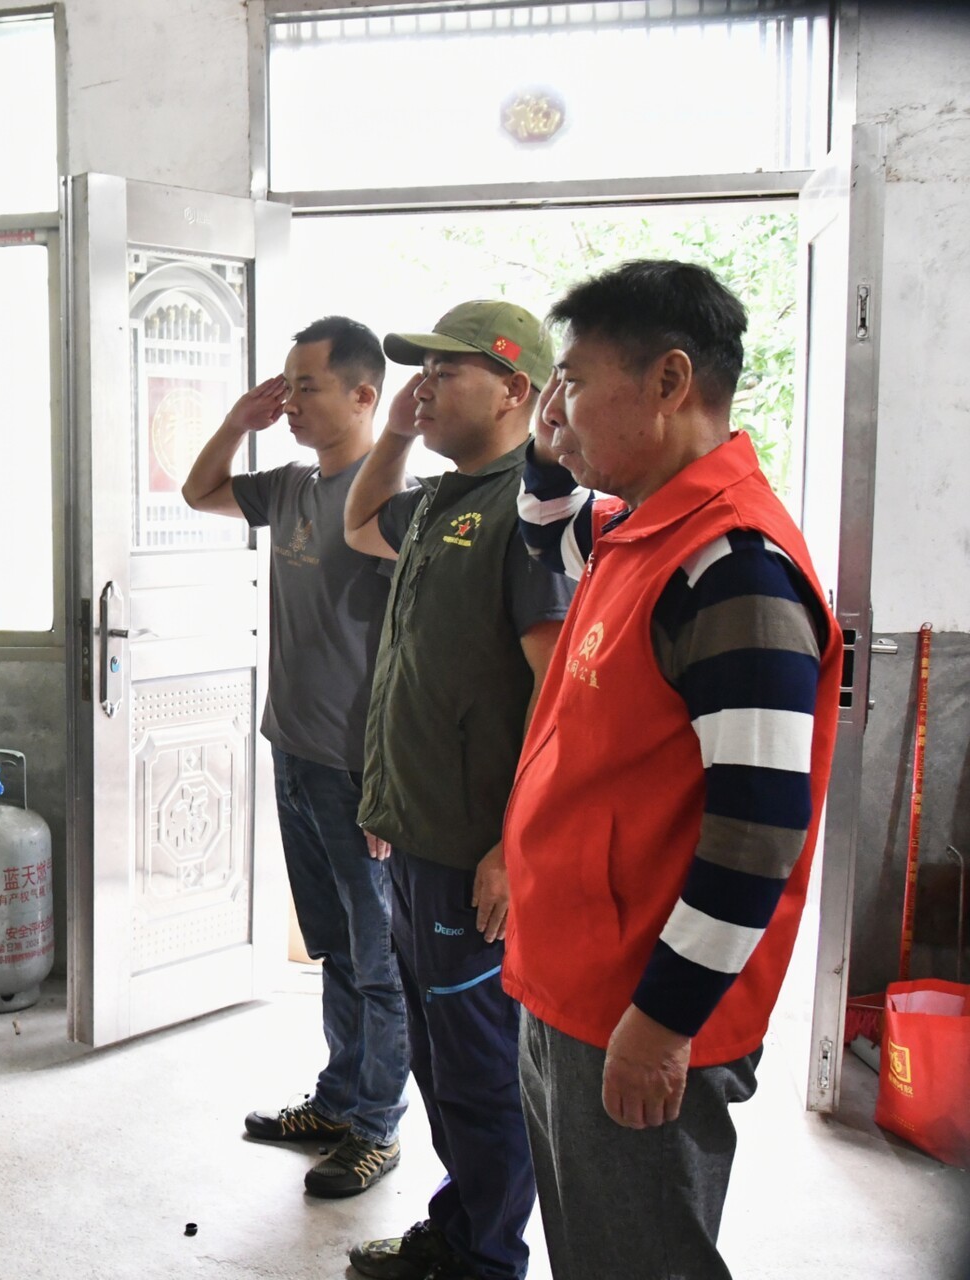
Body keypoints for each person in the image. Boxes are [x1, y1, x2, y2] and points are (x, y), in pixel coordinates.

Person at [503, 261, 839, 1280]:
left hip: (639, 1001)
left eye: (574, 383)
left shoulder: (731, 565)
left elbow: (760, 824)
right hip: (576, 975)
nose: (556, 410)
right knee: (591, 1245)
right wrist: (552, 444)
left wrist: (662, 1021)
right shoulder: (640, 528)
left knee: (639, 1256)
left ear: (669, 380)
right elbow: (544, 530)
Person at [342, 301, 575, 1280]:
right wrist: (395, 434)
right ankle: (461, 1226)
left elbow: (560, 703)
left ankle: (485, 1260)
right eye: (421, 371)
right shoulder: (445, 499)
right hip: (418, 838)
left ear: (517, 388)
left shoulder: (532, 516)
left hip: (475, 859)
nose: (424, 386)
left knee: (481, 1074)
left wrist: (513, 850)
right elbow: (360, 523)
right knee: (439, 1062)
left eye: (448, 371)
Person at [181, 316, 411, 1199]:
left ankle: (377, 1127)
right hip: (296, 750)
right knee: (337, 948)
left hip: (360, 770)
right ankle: (338, 1100)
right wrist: (237, 421)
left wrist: (391, 782)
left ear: (364, 394)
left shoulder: (391, 501)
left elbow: (415, 654)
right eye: (286, 387)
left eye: (306, 387)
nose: (291, 404)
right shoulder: (288, 487)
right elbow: (200, 492)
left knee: (380, 960)